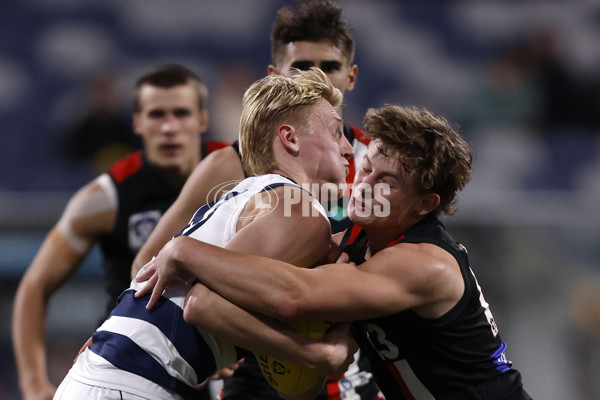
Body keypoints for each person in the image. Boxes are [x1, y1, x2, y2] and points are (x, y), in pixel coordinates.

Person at [137, 105, 533, 399]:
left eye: (387, 181)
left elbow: (294, 297)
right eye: (367, 168)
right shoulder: (359, 236)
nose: (363, 186)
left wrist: (185, 250)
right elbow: (219, 299)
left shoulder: (423, 263)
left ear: (425, 204)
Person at [52, 68, 357, 399]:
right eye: (337, 132)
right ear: (291, 138)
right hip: (134, 379)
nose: (349, 148)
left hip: (115, 373)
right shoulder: (298, 210)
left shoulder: (254, 196)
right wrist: (313, 353)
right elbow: (201, 305)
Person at [130, 1, 378, 398]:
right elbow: (148, 263)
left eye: (329, 67)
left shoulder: (376, 166)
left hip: (348, 363)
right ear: (275, 76)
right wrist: (117, 334)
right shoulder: (229, 164)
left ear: (350, 75)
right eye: (300, 68)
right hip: (258, 362)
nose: (317, 77)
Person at [11, 64, 229, 400]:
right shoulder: (106, 197)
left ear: (202, 120)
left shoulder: (239, 175)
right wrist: (33, 384)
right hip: (128, 367)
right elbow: (35, 285)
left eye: (181, 113)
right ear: (137, 123)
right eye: (157, 115)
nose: (169, 127)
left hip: (216, 360)